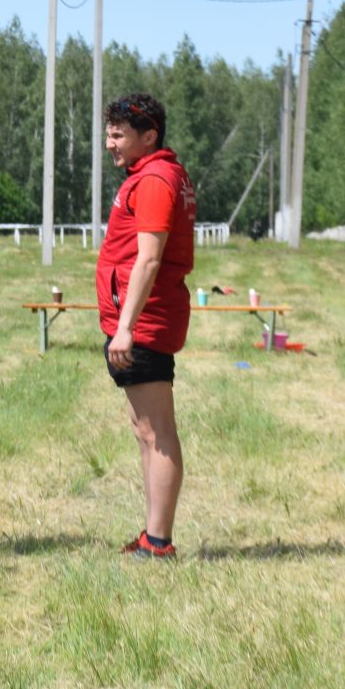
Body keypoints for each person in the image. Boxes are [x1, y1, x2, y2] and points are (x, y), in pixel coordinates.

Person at [96, 93, 197, 560]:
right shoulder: (150, 175)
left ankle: (158, 542)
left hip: (146, 322)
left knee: (156, 432)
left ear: (148, 136)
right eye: (109, 132)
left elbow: (149, 257)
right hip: (141, 320)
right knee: (145, 430)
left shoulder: (155, 179)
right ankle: (151, 534)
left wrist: (127, 328)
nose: (109, 143)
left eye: (118, 135)